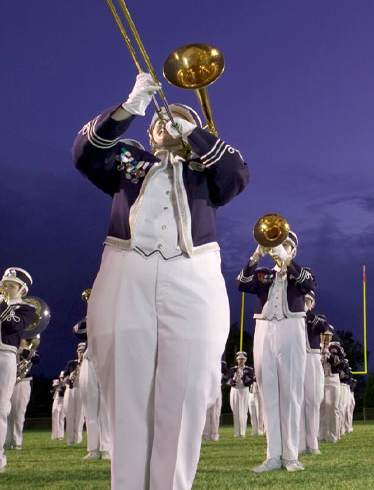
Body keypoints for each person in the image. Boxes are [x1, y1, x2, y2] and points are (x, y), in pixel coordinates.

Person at [72, 73, 249, 489]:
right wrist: (132, 105)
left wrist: (195, 134)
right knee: (126, 396)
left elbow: (238, 175)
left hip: (192, 274)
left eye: (177, 119)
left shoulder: (207, 170)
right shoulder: (129, 160)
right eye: (159, 120)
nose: (165, 122)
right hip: (125, 271)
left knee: (185, 395)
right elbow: (84, 155)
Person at [237, 229, 314, 472]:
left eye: (285, 245)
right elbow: (242, 283)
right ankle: (273, 456)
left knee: (290, 393)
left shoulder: (301, 272)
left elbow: (308, 283)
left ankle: (291, 456)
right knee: (267, 393)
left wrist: (287, 260)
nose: (279, 249)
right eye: (277, 245)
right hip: (264, 327)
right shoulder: (264, 275)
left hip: (291, 327)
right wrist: (256, 256)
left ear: (293, 249)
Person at [0, 268, 37, 473]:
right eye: (4, 284)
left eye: (11, 285)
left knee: (1, 407)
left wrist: (2, 305)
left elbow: (16, 326)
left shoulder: (26, 307)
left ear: (22, 289)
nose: (6, 288)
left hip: (5, 355)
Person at [74, 315, 112, 460]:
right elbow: (77, 331)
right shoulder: (93, 317)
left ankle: (106, 447)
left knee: (105, 408)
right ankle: (93, 449)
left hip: (108, 359)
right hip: (89, 360)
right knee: (89, 409)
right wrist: (90, 315)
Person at [300, 299, 327, 453]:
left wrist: (307, 313)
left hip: (311, 358)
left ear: (313, 303)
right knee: (296, 402)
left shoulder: (317, 318)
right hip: (295, 357)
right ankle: (298, 444)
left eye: (308, 300)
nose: (305, 302)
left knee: (313, 401)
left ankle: (312, 442)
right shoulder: (291, 317)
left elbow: (323, 328)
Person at [4, 339, 39, 451]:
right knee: (6, 412)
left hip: (23, 382)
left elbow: (37, 359)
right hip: (8, 380)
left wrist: (22, 351)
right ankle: (7, 442)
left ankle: (17, 442)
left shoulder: (28, 351)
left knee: (18, 413)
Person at [62, 343, 87, 445]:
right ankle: (69, 439)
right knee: (70, 414)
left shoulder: (88, 364)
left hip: (82, 390)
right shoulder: (71, 363)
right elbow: (65, 376)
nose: (81, 353)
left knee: (80, 416)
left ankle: (77, 439)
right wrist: (69, 379)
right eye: (80, 351)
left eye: (83, 351)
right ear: (77, 352)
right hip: (71, 389)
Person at [225, 352, 255, 438]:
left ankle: (243, 432)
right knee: (235, 411)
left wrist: (242, 376)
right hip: (235, 390)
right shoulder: (232, 370)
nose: (240, 361)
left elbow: (250, 381)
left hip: (244, 390)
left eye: (242, 359)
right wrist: (234, 377)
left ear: (245, 360)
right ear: (236, 359)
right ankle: (236, 432)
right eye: (239, 359)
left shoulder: (249, 369)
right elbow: (228, 382)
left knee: (243, 411)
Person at [203, 360, 227, 441]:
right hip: (207, 387)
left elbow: (225, 375)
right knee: (207, 411)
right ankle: (206, 434)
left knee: (216, 412)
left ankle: (214, 433)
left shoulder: (221, 364)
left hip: (216, 386)